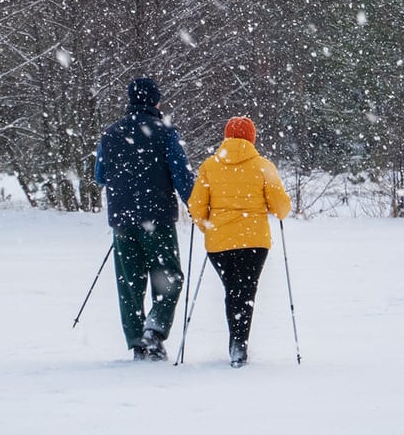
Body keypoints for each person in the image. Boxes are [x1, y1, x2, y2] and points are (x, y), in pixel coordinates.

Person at [94, 77, 191, 361]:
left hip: (123, 221)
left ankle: (139, 343)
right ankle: (155, 330)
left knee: (129, 283)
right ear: (156, 102)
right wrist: (197, 205)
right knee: (169, 277)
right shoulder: (165, 132)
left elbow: (100, 176)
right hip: (157, 218)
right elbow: (182, 176)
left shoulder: (110, 134)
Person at [187, 116, 292, 368]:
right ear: (251, 138)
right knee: (245, 291)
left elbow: (196, 207)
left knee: (232, 289)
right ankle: (239, 343)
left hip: (219, 245)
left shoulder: (209, 166)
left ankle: (236, 341)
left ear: (226, 137)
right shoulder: (263, 166)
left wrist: (208, 228)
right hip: (254, 243)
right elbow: (280, 208)